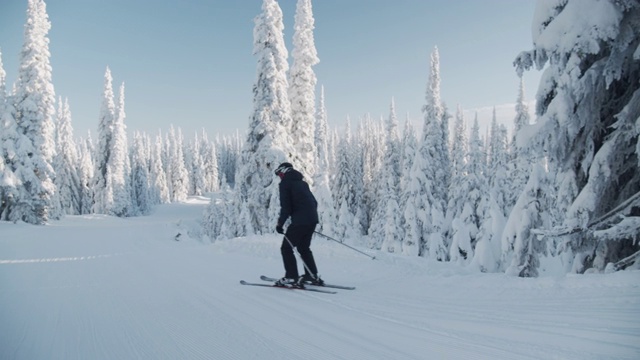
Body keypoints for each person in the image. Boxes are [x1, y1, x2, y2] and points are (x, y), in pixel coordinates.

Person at [273, 162, 324, 288]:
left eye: (279, 174)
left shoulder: (285, 184)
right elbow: (314, 202)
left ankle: (291, 277)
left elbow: (286, 207)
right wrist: (308, 218)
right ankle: (312, 276)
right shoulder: (302, 183)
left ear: (284, 171)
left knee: (286, 248)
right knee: (303, 248)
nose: (279, 176)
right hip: (312, 220)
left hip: (300, 222)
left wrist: (280, 224)